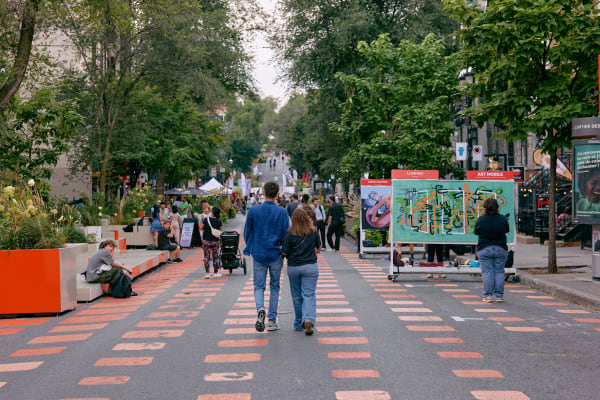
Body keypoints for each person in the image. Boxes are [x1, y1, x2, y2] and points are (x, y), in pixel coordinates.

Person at [244, 181, 290, 332]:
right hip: (276, 253)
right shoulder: (282, 212)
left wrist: (252, 246)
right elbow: (286, 234)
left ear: (263, 192)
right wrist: (284, 250)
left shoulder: (253, 211)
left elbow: (247, 232)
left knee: (259, 286)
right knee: (275, 287)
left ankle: (260, 309)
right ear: (278, 194)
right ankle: (272, 320)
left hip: (259, 254)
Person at [281, 208, 321, 335]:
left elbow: (284, 252)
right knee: (308, 295)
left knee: (296, 296)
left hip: (293, 268)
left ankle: (299, 323)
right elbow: (319, 248)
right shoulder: (313, 231)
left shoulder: (289, 233)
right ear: (306, 217)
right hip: (310, 267)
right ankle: (308, 319)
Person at [474, 198, 509, 303]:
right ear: (497, 207)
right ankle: (499, 296)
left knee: (487, 272)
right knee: (499, 271)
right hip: (501, 248)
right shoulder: (502, 219)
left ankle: (488, 295)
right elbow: (507, 230)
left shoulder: (481, 219)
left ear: (485, 207)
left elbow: (476, 232)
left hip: (485, 248)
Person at [200, 206, 223, 279]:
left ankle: (207, 273)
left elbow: (201, 228)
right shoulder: (219, 221)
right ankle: (215, 272)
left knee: (206, 257)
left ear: (212, 212)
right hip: (215, 241)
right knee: (215, 257)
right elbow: (220, 230)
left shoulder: (206, 220)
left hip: (206, 240)